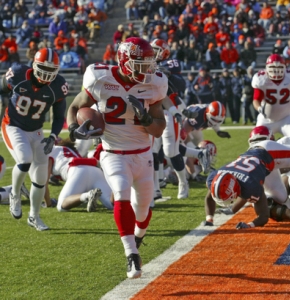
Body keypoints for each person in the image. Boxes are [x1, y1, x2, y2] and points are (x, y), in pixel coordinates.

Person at [66, 37, 168, 279]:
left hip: (143, 154)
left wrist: (146, 119)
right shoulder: (99, 77)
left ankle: (138, 239)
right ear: (124, 62)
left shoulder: (155, 84)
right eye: (140, 65)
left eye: (148, 65)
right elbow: (74, 108)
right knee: (121, 194)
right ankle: (131, 255)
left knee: (142, 211)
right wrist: (73, 129)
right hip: (113, 152)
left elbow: (158, 128)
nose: (147, 71)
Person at [1, 48, 69, 231]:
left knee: (40, 178)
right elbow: (1, 87)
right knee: (24, 159)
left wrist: (53, 136)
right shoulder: (17, 74)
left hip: (36, 130)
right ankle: (15, 194)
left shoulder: (58, 86)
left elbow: (59, 117)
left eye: (50, 70)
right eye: (43, 69)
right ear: (34, 65)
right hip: (13, 125)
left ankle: (34, 216)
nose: (46, 75)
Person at [150, 38, 209, 200]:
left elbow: (179, 86)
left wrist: (162, 72)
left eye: (156, 50)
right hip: (152, 111)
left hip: (169, 111)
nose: (152, 53)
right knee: (152, 151)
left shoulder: (171, 63)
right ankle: (155, 188)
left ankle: (183, 182)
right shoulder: (145, 64)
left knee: (170, 151)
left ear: (164, 52)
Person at [203, 137, 290, 229]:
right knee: (281, 197)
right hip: (261, 164)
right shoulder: (214, 178)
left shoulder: (250, 185)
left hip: (269, 152)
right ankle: (286, 178)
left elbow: (263, 216)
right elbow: (209, 197)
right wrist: (209, 219)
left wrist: (250, 225)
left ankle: (285, 142)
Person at [45, 138, 113, 212]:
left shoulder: (49, 151)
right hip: (95, 170)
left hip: (77, 171)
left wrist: (48, 203)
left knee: (61, 205)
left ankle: (87, 195)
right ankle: (121, 190)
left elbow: (44, 182)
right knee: (112, 204)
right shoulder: (68, 150)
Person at [252, 54, 290, 143]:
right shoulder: (262, 79)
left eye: (279, 68)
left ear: (284, 67)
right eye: (273, 67)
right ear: (267, 67)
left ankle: (281, 146)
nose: (276, 70)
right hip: (266, 119)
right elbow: (256, 99)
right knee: (256, 141)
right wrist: (259, 108)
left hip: (286, 118)